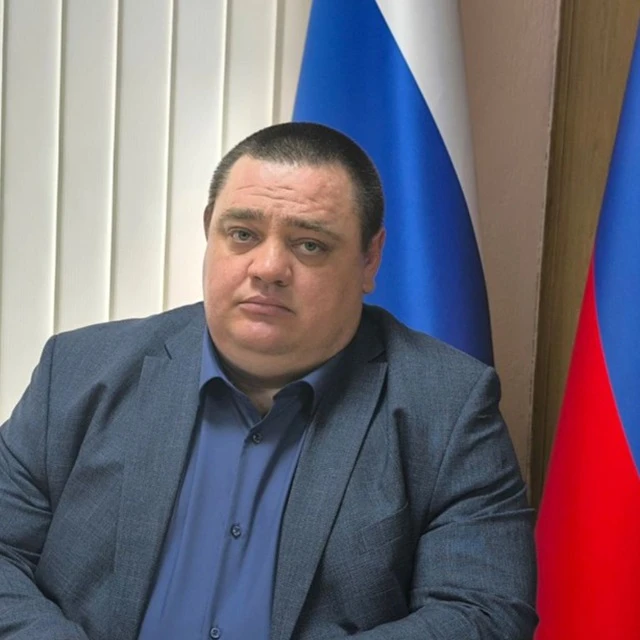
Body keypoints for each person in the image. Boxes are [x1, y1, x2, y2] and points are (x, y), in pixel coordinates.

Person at [0, 122, 536, 639]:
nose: (268, 267)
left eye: (310, 244)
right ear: (209, 231)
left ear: (369, 259)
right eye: (242, 234)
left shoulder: (447, 405)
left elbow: (483, 612)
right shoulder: (78, 372)